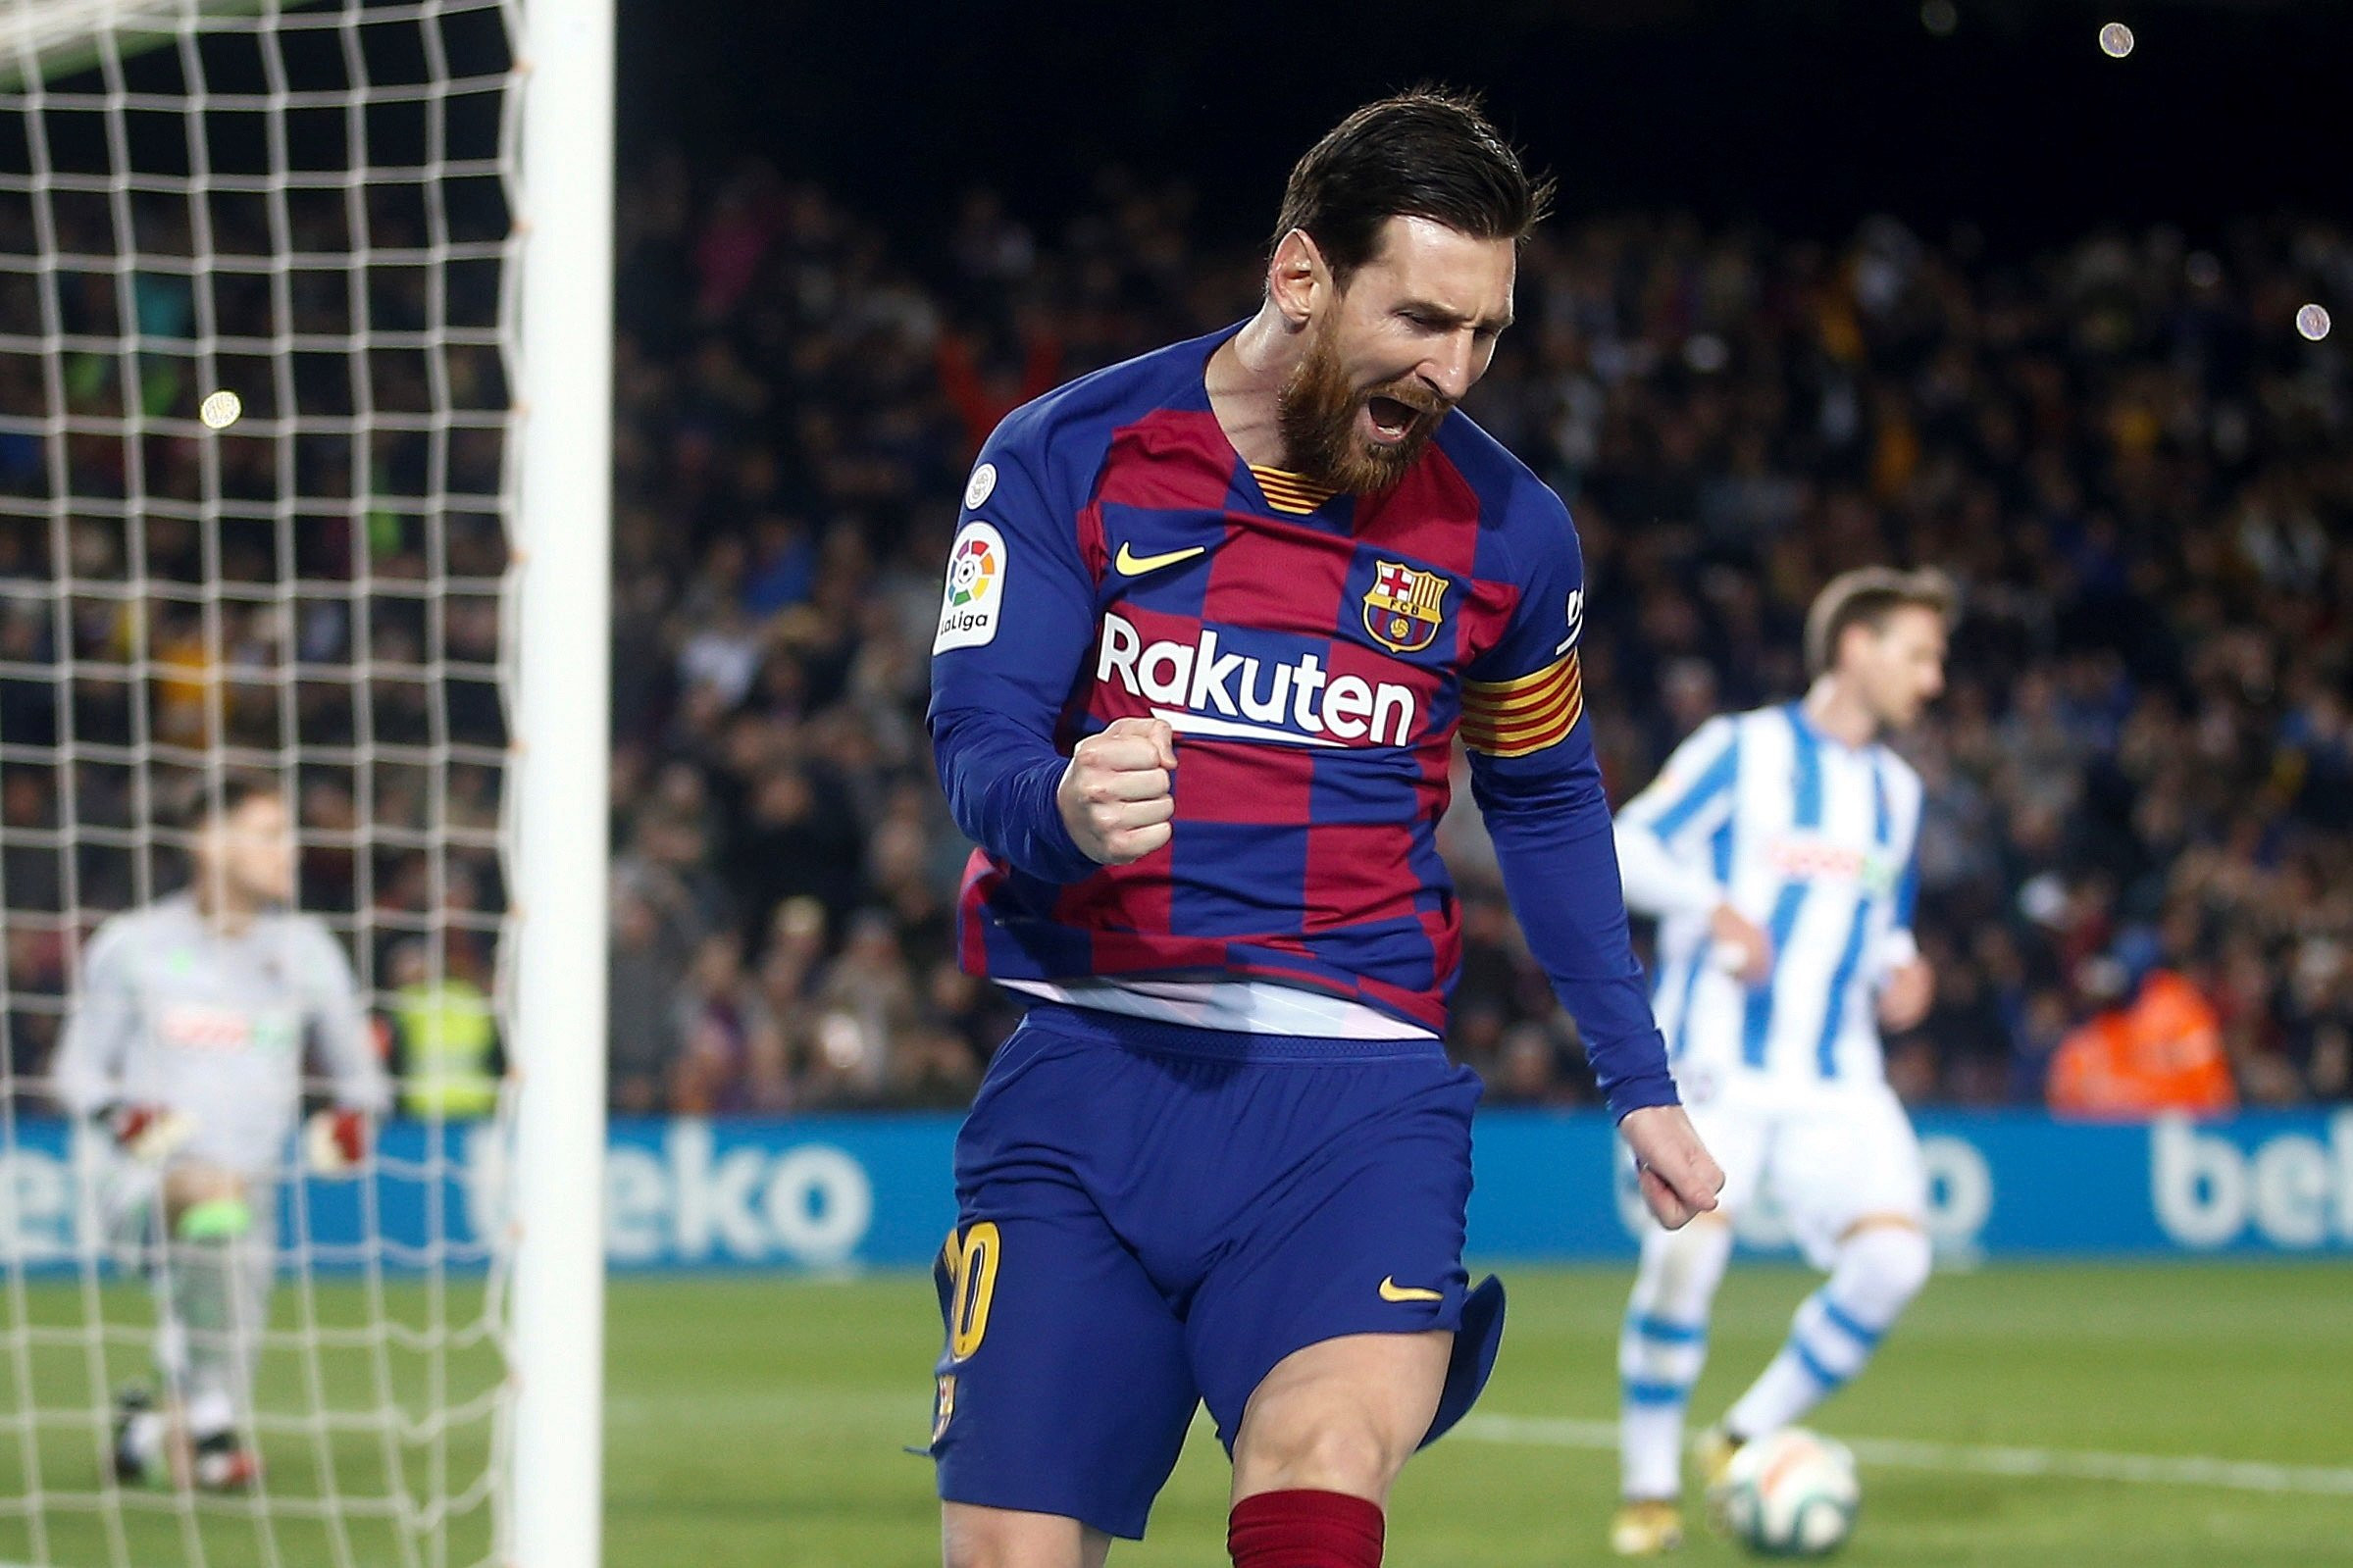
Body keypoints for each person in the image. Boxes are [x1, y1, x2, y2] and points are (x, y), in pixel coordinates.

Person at [924, 90, 1722, 1568]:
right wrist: (1061, 803)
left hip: (1354, 1099)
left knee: (1322, 1465)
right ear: (1300, 275)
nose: (1452, 368)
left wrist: (1638, 1074)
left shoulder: (1506, 530)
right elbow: (975, 738)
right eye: (1420, 316)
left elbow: (1542, 795)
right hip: (1091, 1071)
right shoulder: (1068, 450)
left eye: (1482, 330)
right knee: (1006, 1556)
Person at [1603, 567, 1951, 1555]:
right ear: (1855, 646)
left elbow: (1879, 920)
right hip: (1717, 1065)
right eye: (1917, 655)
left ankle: (1744, 1435)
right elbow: (1625, 847)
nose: (1930, 680)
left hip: (1836, 1074)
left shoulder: (1895, 792)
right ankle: (1645, 1489)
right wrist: (1708, 907)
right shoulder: (1741, 749)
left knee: (1892, 1259)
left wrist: (1903, 969)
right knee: (1681, 1263)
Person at [49, 776, 389, 1491]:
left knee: (224, 1242)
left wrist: (351, 1124)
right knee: (210, 1198)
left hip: (249, 1187)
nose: (289, 848)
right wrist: (127, 1118)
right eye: (268, 832)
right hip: (140, 1181)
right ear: (210, 841)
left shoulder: (306, 948)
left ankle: (154, 1427)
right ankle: (213, 1426)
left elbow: (362, 1080)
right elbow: (75, 1071)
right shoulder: (134, 944)